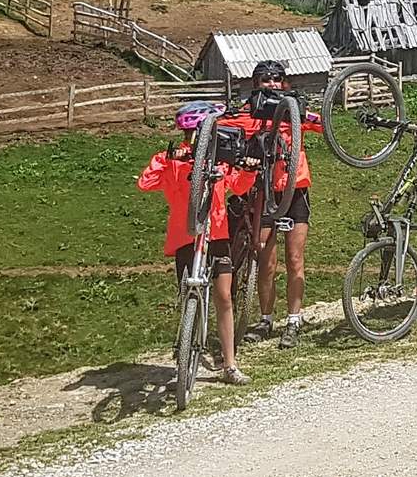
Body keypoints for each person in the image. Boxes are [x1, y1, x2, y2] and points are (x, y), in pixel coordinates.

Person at [137, 101, 256, 386]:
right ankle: (186, 345)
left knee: (224, 297)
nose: (192, 140)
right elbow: (145, 182)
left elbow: (238, 186)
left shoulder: (219, 160)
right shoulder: (174, 161)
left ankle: (230, 364)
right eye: (189, 135)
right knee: (188, 294)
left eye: (198, 134)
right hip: (185, 237)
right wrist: (167, 158)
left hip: (217, 235)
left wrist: (249, 169)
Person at [225, 59, 323, 348]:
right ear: (256, 84)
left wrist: (306, 111)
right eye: (266, 79)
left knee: (295, 259)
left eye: (276, 79)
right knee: (266, 261)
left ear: (284, 82)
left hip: (295, 190)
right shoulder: (249, 113)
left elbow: (322, 124)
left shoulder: (294, 113)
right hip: (263, 192)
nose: (272, 84)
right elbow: (222, 124)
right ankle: (266, 319)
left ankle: (293, 320)